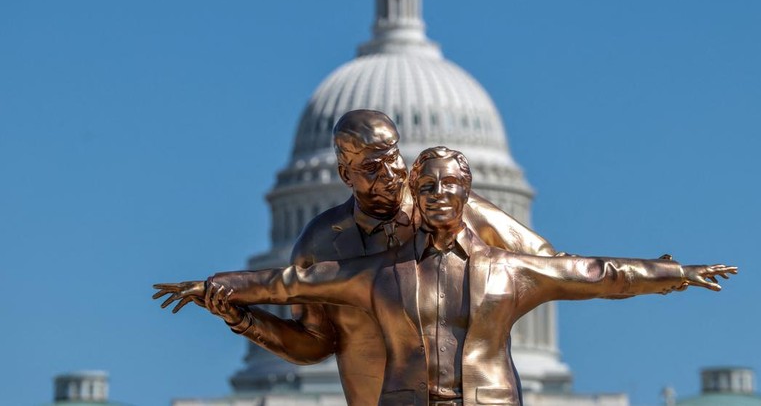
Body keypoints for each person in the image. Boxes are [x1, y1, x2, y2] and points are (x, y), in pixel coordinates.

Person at [155, 147, 736, 406]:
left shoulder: (509, 270)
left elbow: (599, 274)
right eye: (427, 186)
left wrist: (675, 273)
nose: (436, 196)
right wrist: (217, 288)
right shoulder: (379, 273)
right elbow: (292, 282)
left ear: (469, 195)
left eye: (449, 187)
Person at [156, 110, 558, 405]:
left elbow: (545, 264)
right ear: (345, 174)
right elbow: (314, 344)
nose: (390, 175)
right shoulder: (320, 244)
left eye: (393, 157)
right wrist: (242, 318)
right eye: (371, 167)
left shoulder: (452, 209)